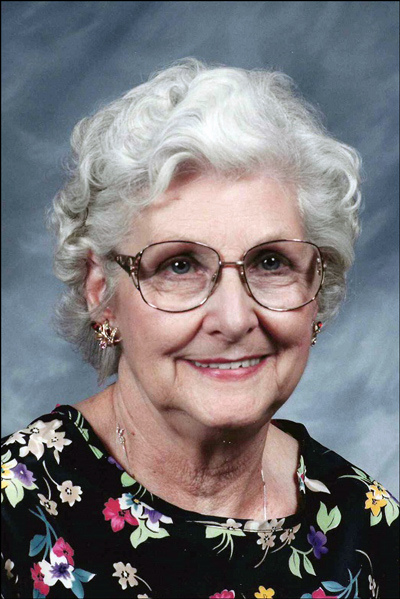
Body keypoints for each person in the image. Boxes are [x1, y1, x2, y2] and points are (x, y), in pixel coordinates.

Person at [1, 58, 398, 599]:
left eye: (271, 262)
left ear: (317, 290)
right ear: (102, 293)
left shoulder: (370, 534)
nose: (234, 319)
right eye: (180, 265)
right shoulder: (15, 513)